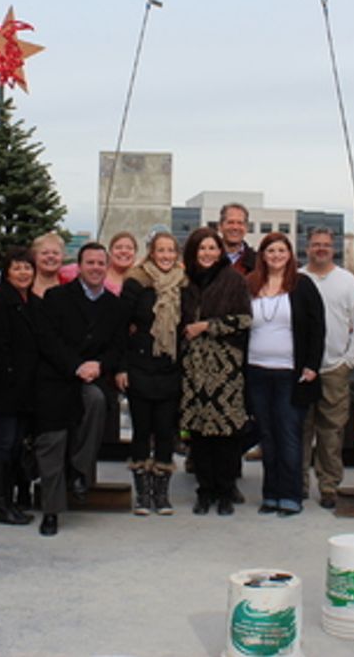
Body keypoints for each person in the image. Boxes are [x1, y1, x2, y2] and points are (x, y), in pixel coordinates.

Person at [35, 242, 125, 535]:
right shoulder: (56, 297)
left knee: (97, 401)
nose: (96, 268)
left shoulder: (114, 305)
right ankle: (51, 512)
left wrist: (99, 365)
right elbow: (49, 341)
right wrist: (76, 366)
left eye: (101, 263)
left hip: (92, 380)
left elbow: (116, 346)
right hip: (57, 380)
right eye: (91, 263)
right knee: (54, 442)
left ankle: (80, 471)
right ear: (79, 266)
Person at [244, 232, 325, 516]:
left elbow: (317, 327)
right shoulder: (251, 284)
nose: (276, 255)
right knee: (267, 435)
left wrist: (312, 365)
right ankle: (270, 495)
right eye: (270, 251)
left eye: (281, 250)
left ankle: (290, 495)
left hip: (291, 373)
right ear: (262, 255)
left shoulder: (302, 285)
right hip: (256, 371)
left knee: (288, 434)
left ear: (290, 254)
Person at [180, 227, 253, 515]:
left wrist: (208, 326)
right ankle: (204, 490)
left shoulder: (233, 279)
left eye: (212, 248)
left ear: (220, 251)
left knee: (225, 433)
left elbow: (245, 320)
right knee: (199, 432)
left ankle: (225, 490)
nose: (207, 254)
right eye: (202, 249)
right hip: (194, 367)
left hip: (225, 366)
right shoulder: (185, 282)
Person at [116, 232, 186, 516]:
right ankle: (143, 494)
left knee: (166, 431)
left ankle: (162, 494)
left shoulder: (184, 284)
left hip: (170, 367)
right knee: (141, 431)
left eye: (171, 250)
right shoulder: (136, 282)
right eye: (161, 250)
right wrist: (121, 367)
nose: (166, 255)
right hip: (140, 366)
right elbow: (120, 326)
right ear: (151, 253)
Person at [299, 227, 354, 509]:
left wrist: (349, 360)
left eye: (326, 245)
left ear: (333, 249)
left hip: (334, 368)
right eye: (316, 244)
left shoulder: (347, 281)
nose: (321, 249)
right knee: (301, 430)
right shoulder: (298, 279)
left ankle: (329, 485)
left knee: (331, 433)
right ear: (307, 248)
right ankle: (299, 484)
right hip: (303, 370)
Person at [0, 248, 42, 526]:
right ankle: (0, 504)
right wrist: (10, 378)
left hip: (27, 391)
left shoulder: (33, 302)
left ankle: (14, 500)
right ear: (7, 272)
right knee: (3, 446)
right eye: (17, 268)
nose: (23, 273)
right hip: (5, 391)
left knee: (17, 446)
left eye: (27, 268)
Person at [218, 203, 257, 274]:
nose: (235, 227)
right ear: (220, 226)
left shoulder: (257, 262)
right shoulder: (208, 259)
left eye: (240, 223)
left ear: (246, 228)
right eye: (230, 222)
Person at [31, 231, 66, 298]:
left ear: (63, 257)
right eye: (45, 253)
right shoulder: (23, 285)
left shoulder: (71, 287)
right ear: (34, 256)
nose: (50, 256)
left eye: (55, 253)